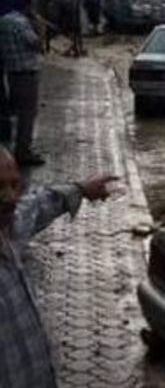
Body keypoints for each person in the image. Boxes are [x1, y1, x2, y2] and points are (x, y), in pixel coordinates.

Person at [0, 146, 117, 388]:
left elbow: (36, 207)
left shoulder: (9, 230)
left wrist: (81, 189)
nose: (10, 198)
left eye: (15, 185)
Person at [0, 0, 44, 166]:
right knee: (27, 114)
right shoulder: (21, 23)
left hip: (11, 73)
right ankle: (23, 151)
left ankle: (13, 148)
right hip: (26, 73)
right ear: (28, 7)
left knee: (16, 112)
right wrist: (39, 27)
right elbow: (37, 44)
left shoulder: (3, 21)